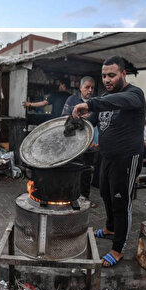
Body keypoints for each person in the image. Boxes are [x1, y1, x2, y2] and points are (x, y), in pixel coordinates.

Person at [72, 56, 146, 268]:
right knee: (105, 193)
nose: (107, 79)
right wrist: (77, 121)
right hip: (106, 156)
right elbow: (93, 119)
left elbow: (112, 102)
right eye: (104, 76)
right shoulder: (105, 97)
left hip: (126, 159)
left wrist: (90, 103)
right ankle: (111, 227)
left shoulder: (134, 95)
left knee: (122, 202)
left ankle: (119, 247)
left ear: (123, 74)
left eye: (111, 75)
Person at [61, 76, 98, 204]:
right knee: (72, 170)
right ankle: (70, 197)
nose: (90, 90)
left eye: (92, 88)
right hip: (73, 143)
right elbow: (64, 118)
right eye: (87, 87)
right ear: (80, 88)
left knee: (86, 172)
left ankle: (85, 199)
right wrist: (78, 117)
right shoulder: (72, 100)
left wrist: (96, 140)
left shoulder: (96, 102)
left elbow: (97, 124)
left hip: (90, 142)